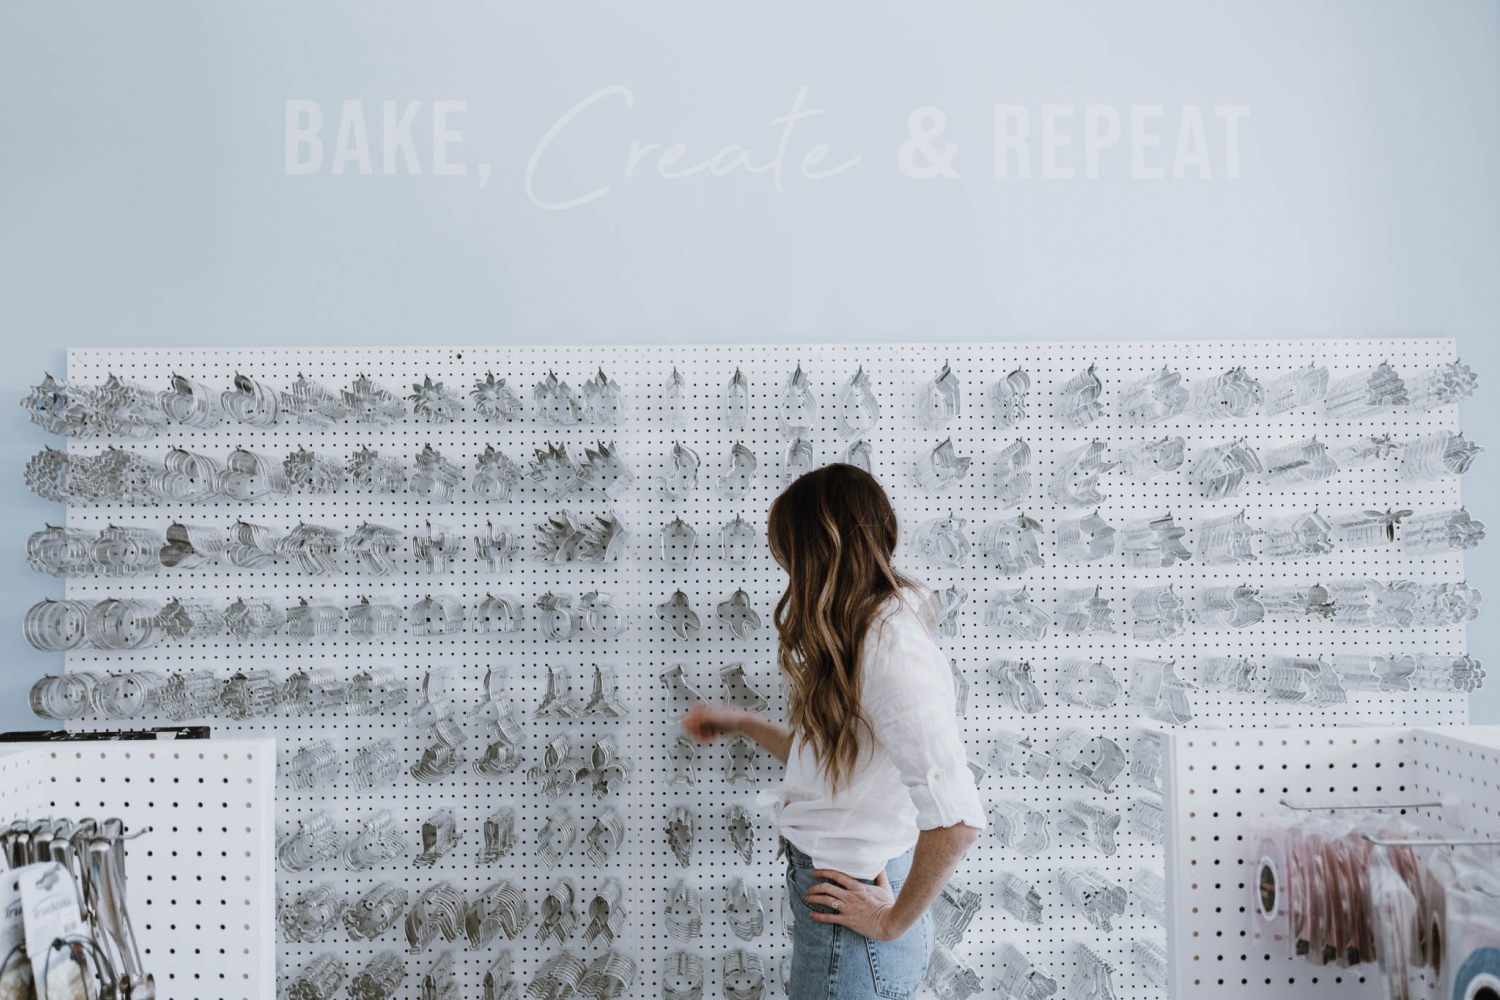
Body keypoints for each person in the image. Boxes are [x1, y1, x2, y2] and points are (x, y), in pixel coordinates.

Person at [681, 463, 984, 1000]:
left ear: (821, 551)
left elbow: (956, 821)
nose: (788, 573)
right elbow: (832, 768)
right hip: (841, 914)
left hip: (853, 933)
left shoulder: (891, 649)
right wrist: (743, 724)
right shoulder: (862, 635)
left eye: (790, 555)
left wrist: (889, 924)